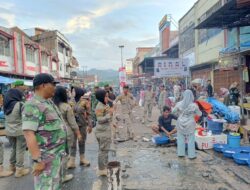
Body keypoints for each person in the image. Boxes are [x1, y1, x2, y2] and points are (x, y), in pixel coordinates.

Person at [22, 73, 68, 190]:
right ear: (43, 85)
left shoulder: (48, 102)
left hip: (56, 157)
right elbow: (28, 134)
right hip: (45, 160)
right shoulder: (32, 105)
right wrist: (37, 160)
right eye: (53, 84)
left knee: (56, 186)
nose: (55, 87)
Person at [52, 86, 83, 183]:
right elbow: (73, 123)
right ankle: (63, 176)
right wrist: (78, 134)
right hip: (66, 132)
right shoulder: (66, 106)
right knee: (65, 154)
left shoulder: (51, 105)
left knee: (56, 154)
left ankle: (55, 174)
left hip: (54, 132)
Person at [3, 82, 30, 178]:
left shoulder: (5, 106)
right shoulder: (20, 105)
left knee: (14, 148)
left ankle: (12, 166)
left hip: (9, 131)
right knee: (20, 150)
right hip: (19, 131)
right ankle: (19, 170)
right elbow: (27, 118)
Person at [172, 90, 201, 159]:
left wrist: (179, 114)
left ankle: (181, 154)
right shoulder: (194, 105)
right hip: (190, 123)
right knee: (190, 139)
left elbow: (173, 112)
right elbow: (199, 114)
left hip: (180, 122)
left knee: (180, 138)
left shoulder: (179, 104)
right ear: (191, 96)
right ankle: (191, 155)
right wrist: (193, 114)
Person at [67, 87, 92, 168]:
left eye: (74, 90)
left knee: (82, 142)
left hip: (82, 125)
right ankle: (72, 161)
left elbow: (89, 113)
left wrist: (90, 125)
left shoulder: (85, 102)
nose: (72, 92)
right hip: (72, 126)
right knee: (72, 144)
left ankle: (82, 159)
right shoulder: (70, 101)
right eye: (72, 90)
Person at [95, 89, 114, 176]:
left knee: (105, 150)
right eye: (106, 96)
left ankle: (104, 166)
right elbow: (99, 120)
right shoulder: (99, 106)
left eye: (107, 96)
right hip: (102, 132)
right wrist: (108, 115)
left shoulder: (104, 104)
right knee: (103, 151)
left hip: (105, 130)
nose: (107, 98)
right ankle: (102, 169)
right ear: (101, 97)